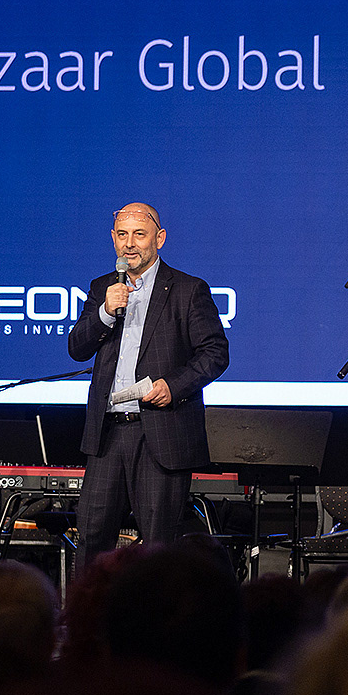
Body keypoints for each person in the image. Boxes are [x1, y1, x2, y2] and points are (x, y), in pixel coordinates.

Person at [68, 202, 229, 564]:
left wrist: (173, 386)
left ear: (160, 238)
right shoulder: (103, 288)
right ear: (113, 239)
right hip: (108, 434)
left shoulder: (188, 289)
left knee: (158, 548)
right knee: (92, 538)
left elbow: (215, 352)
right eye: (122, 235)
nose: (129, 244)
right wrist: (105, 312)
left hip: (160, 433)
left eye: (139, 234)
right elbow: (77, 348)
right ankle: (89, 604)